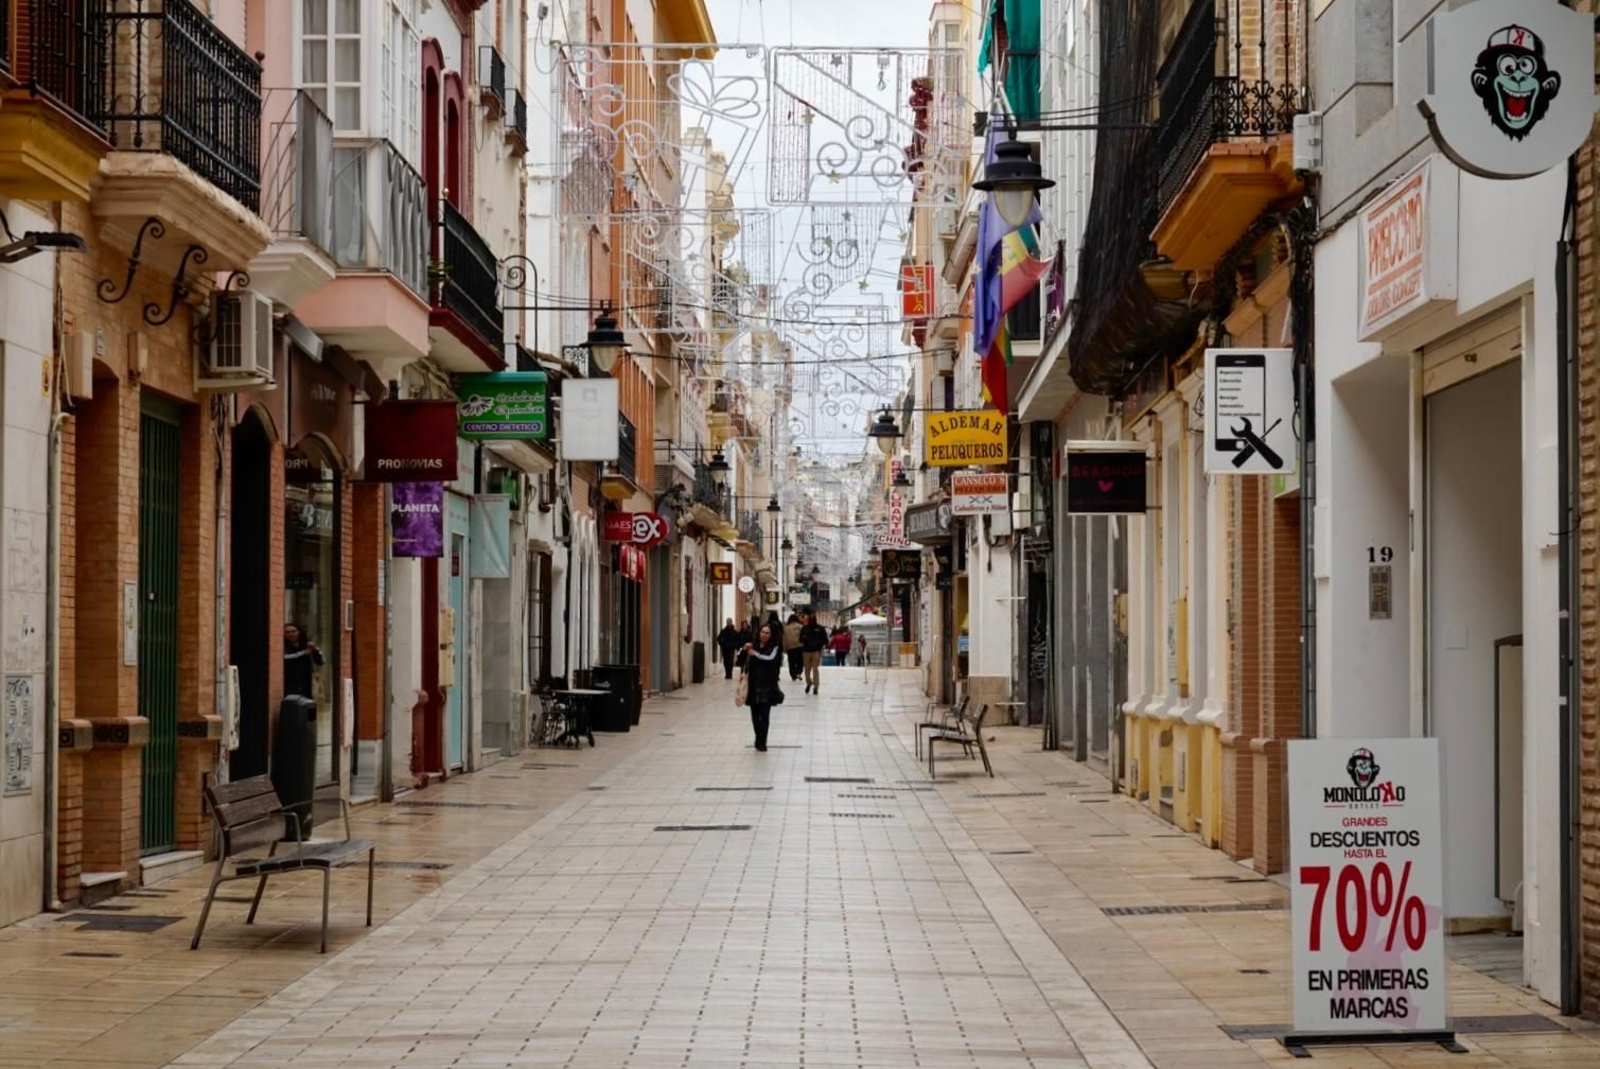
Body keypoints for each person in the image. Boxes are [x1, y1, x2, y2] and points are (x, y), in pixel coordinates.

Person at [742, 623, 784, 751]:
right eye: (763, 632)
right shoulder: (753, 646)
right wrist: (745, 650)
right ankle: (758, 737)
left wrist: (755, 654)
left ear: (771, 635)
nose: (764, 635)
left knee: (764, 715)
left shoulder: (774, 648)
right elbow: (742, 661)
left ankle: (762, 741)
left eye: (767, 633)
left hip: (767, 685)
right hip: (753, 684)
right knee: (754, 714)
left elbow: (770, 659)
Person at [283, 623, 323, 699]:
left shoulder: (305, 644)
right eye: (287, 632)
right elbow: (286, 658)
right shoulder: (283, 646)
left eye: (293, 631)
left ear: (299, 632)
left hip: (306, 680)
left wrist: (316, 649)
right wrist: (304, 653)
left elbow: (320, 661)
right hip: (290, 681)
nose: (291, 634)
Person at [799, 612, 828, 694]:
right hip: (806, 652)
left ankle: (816, 687)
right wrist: (805, 639)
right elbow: (800, 639)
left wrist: (818, 644)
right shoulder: (804, 628)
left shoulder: (820, 629)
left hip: (816, 651)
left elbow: (825, 640)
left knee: (815, 669)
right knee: (807, 670)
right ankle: (809, 683)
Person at [782, 613, 804, 681]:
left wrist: (784, 648)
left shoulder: (786, 628)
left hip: (790, 646)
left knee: (791, 661)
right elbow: (803, 637)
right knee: (800, 660)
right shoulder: (801, 626)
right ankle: (799, 672)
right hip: (800, 645)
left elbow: (784, 639)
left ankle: (793, 675)